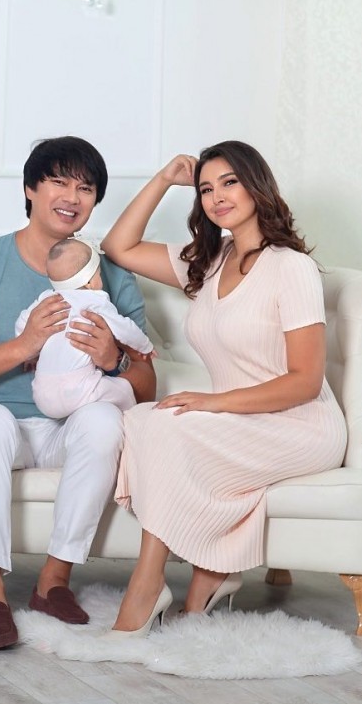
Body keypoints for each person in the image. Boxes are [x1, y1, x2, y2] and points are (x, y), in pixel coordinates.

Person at [99, 140, 347, 639]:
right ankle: (210, 576)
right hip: (238, 420)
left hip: (300, 424)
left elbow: (304, 380)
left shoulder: (290, 266)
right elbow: (118, 246)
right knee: (141, 420)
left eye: (229, 182)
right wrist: (164, 179)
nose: (217, 197)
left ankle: (148, 585)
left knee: (166, 427)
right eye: (206, 189)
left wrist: (212, 403)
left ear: (257, 184)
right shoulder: (210, 260)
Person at [0, 135, 157, 650]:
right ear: (30, 188)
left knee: (104, 420)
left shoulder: (110, 276)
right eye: (58, 182)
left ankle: (54, 582)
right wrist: (24, 344)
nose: (71, 197)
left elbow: (146, 385)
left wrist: (114, 360)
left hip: (65, 428)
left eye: (85, 188)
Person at [15, 237, 155, 419]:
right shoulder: (96, 301)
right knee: (125, 390)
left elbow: (22, 324)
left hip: (42, 395)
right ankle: (137, 418)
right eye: (99, 274)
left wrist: (31, 354)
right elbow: (125, 329)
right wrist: (145, 346)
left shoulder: (46, 300)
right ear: (90, 282)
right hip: (80, 389)